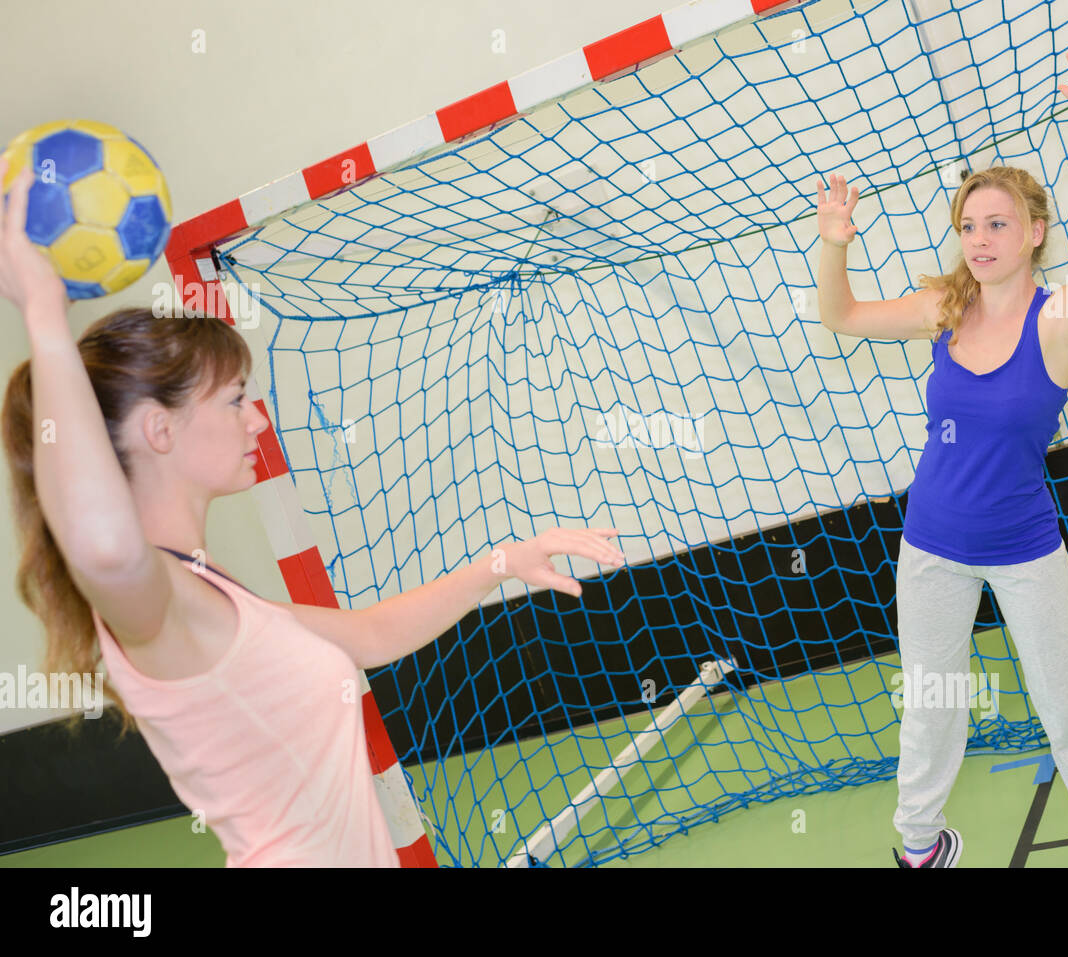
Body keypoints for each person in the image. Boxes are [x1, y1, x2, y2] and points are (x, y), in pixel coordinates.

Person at [0, 155, 626, 867]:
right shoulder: (157, 606)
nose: (257, 421)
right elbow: (106, 549)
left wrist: (500, 563)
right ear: (159, 429)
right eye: (235, 399)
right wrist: (43, 316)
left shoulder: (208, 591)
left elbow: (368, 633)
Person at [814, 38, 1068, 867]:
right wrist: (834, 242)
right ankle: (920, 847)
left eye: (998, 223)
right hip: (930, 545)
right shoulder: (942, 308)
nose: (980, 237)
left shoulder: (1060, 318)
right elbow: (842, 316)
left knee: (1061, 696)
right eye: (968, 225)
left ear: (1035, 231)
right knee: (932, 703)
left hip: (1024, 546)